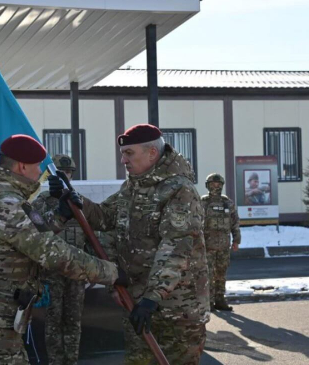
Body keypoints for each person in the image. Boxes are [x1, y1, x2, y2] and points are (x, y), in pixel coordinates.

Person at [0, 135, 126, 365]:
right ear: (22, 166)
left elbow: (25, 234)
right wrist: (112, 273)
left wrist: (60, 214)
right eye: (38, 166)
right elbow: (56, 255)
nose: (40, 171)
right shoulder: (8, 205)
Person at [59, 124, 209, 365]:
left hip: (176, 309)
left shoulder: (179, 189)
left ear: (151, 152)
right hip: (137, 303)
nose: (123, 160)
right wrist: (77, 203)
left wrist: (153, 298)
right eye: (123, 153)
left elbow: (177, 247)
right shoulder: (131, 187)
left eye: (129, 153)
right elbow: (104, 217)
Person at [32, 154, 86, 365]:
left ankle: (71, 361)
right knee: (53, 322)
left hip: (76, 272)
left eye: (68, 173)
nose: (65, 177)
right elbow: (36, 233)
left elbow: (91, 235)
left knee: (73, 321)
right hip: (51, 273)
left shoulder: (78, 201)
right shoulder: (41, 202)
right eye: (60, 173)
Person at [201, 173, 241, 311]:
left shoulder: (227, 203)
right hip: (208, 246)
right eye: (213, 184)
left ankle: (220, 299)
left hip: (224, 245)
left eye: (218, 184)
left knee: (221, 273)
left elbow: (235, 222)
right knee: (208, 273)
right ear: (208, 185)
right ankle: (209, 301)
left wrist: (236, 240)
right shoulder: (203, 202)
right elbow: (195, 223)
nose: (216, 187)